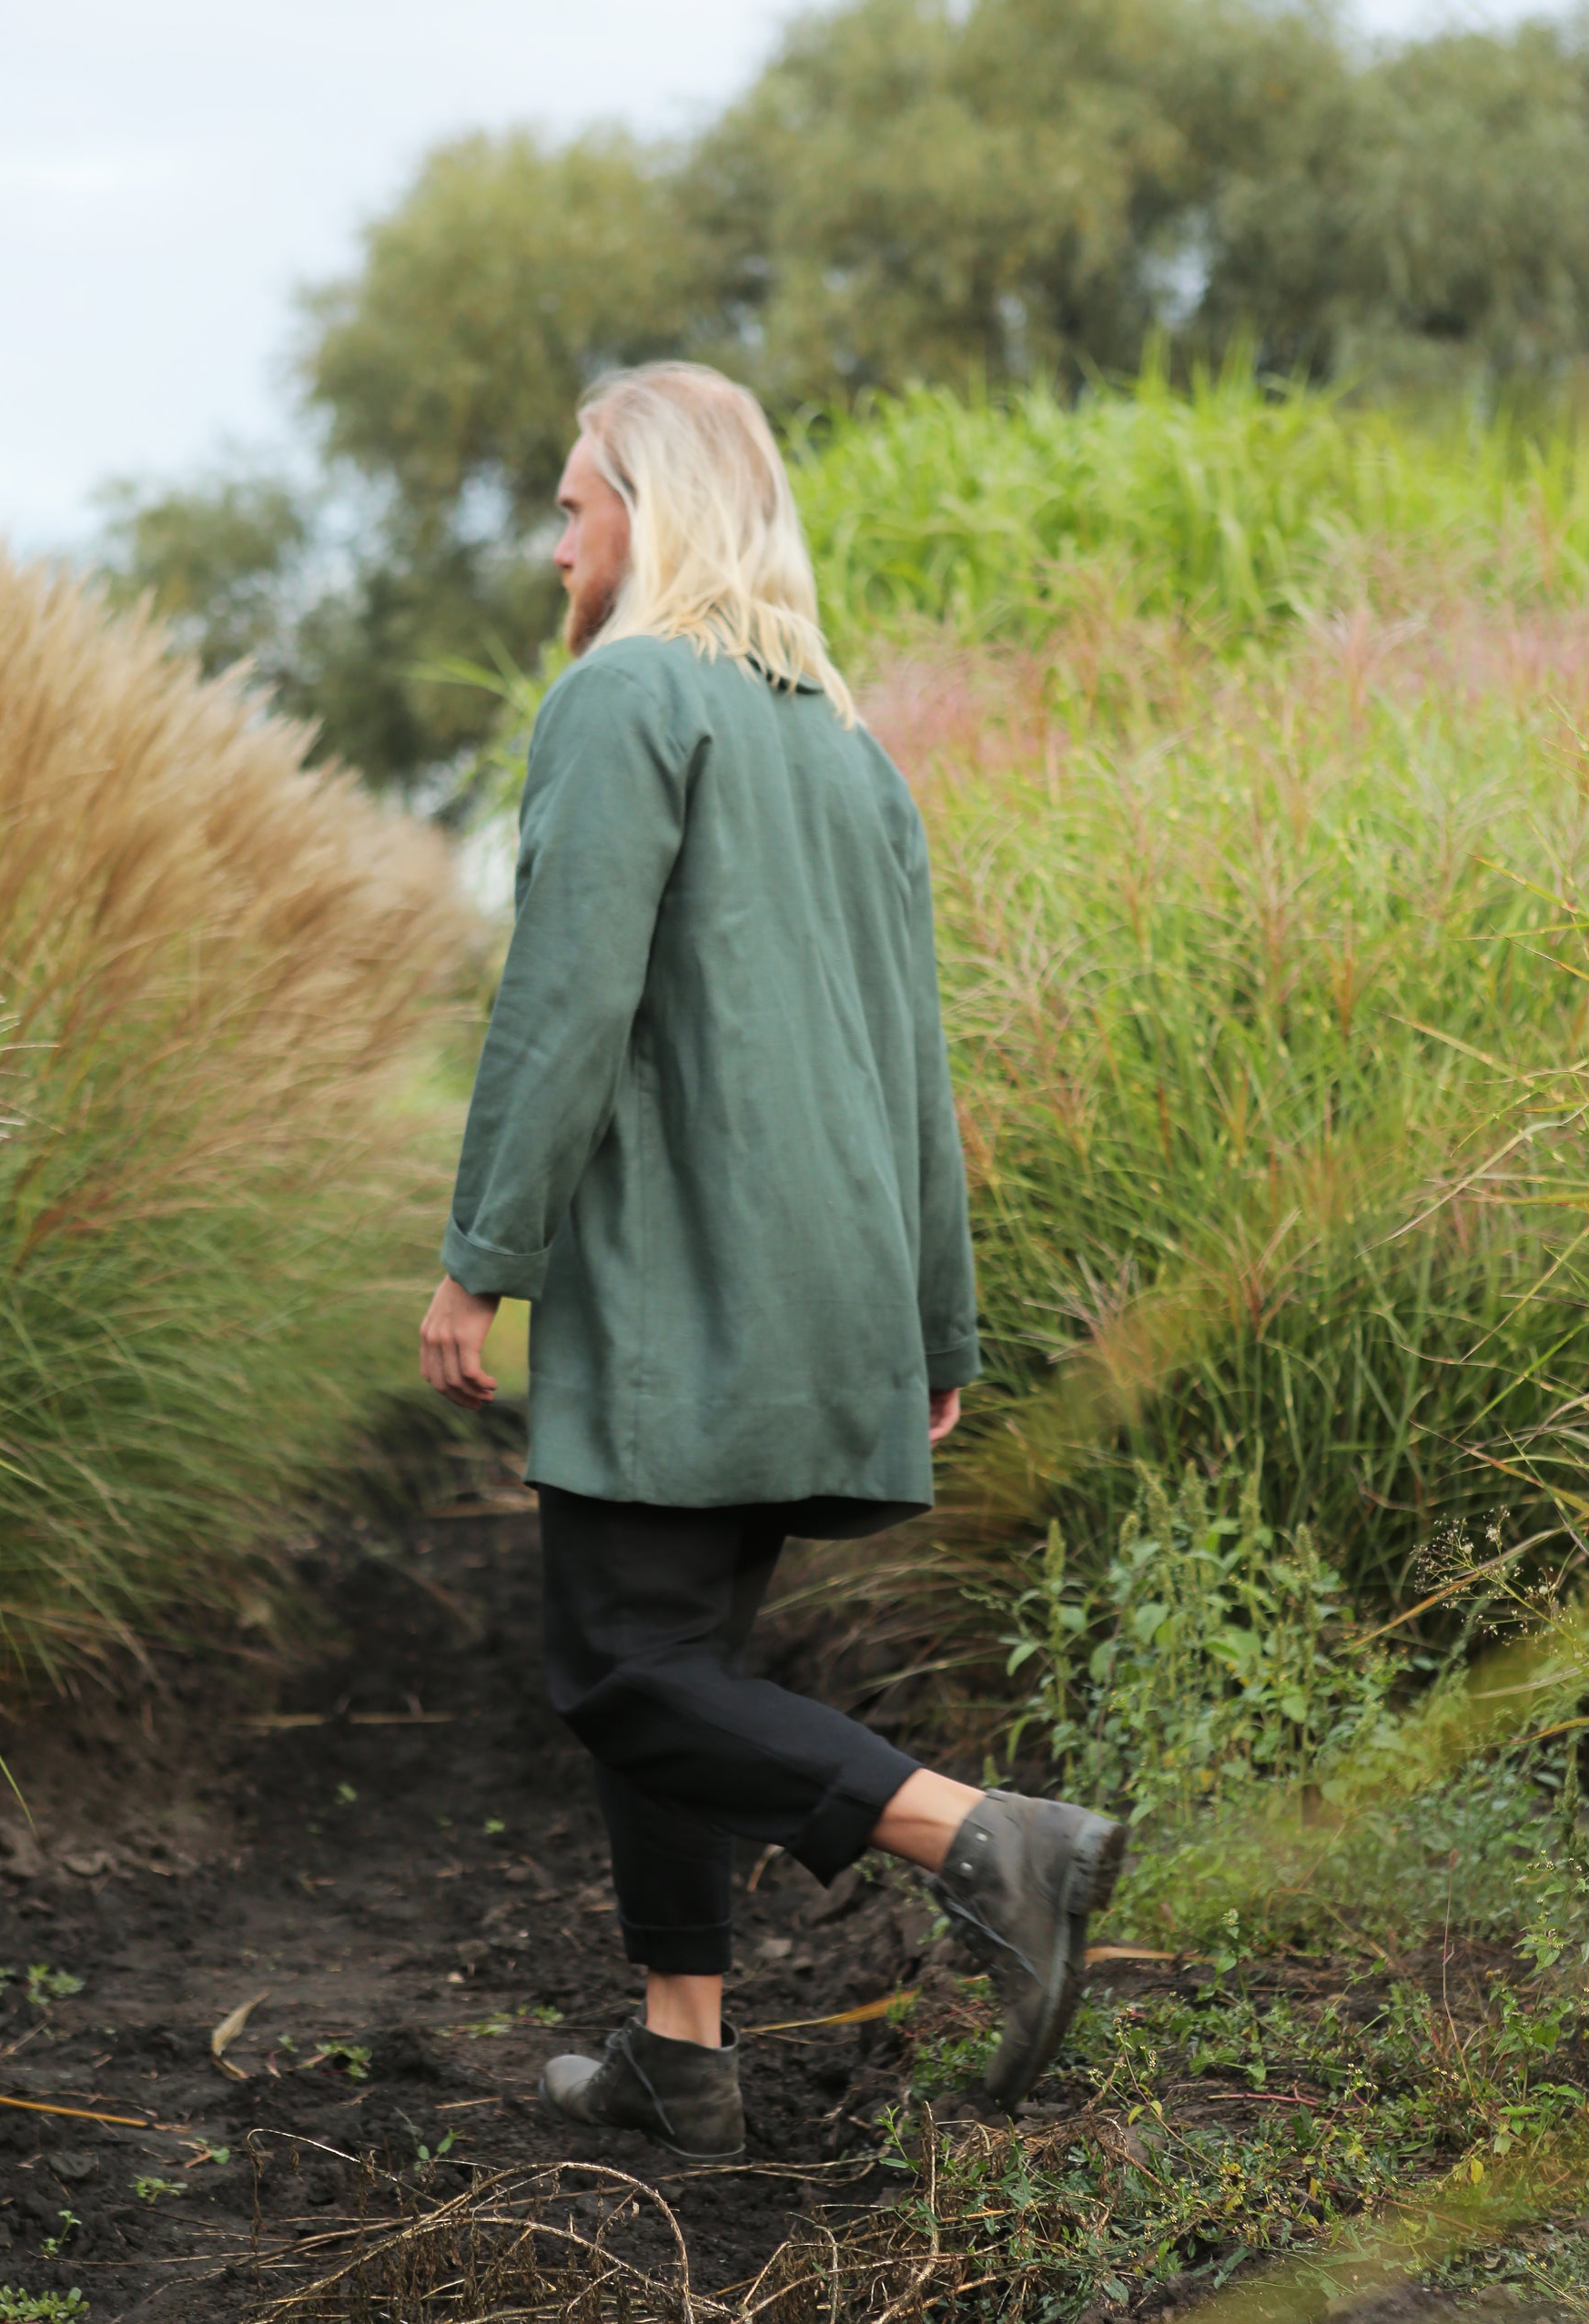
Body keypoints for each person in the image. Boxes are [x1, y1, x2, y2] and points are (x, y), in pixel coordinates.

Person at [420, 361, 1124, 2163]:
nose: (552, 541)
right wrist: (935, 1316)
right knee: (683, 1663)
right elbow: (916, 1056)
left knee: (619, 1673)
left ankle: (989, 1841)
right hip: (830, 1288)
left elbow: (561, 1007)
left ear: (651, 513)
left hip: (684, 1287)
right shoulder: (843, 742)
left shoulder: (623, 697)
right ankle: (681, 2048)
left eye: (574, 503)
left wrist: (480, 1257)